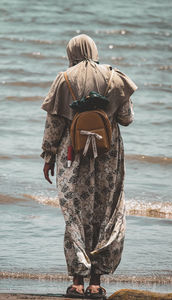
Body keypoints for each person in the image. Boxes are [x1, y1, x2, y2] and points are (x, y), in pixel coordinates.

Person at [41, 34, 137, 299]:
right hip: (108, 152)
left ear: (71, 52)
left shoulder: (64, 79)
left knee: (76, 214)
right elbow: (126, 119)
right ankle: (96, 283)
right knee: (105, 212)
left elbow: (54, 124)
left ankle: (76, 283)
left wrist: (48, 156)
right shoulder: (116, 77)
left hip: (73, 154)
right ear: (94, 51)